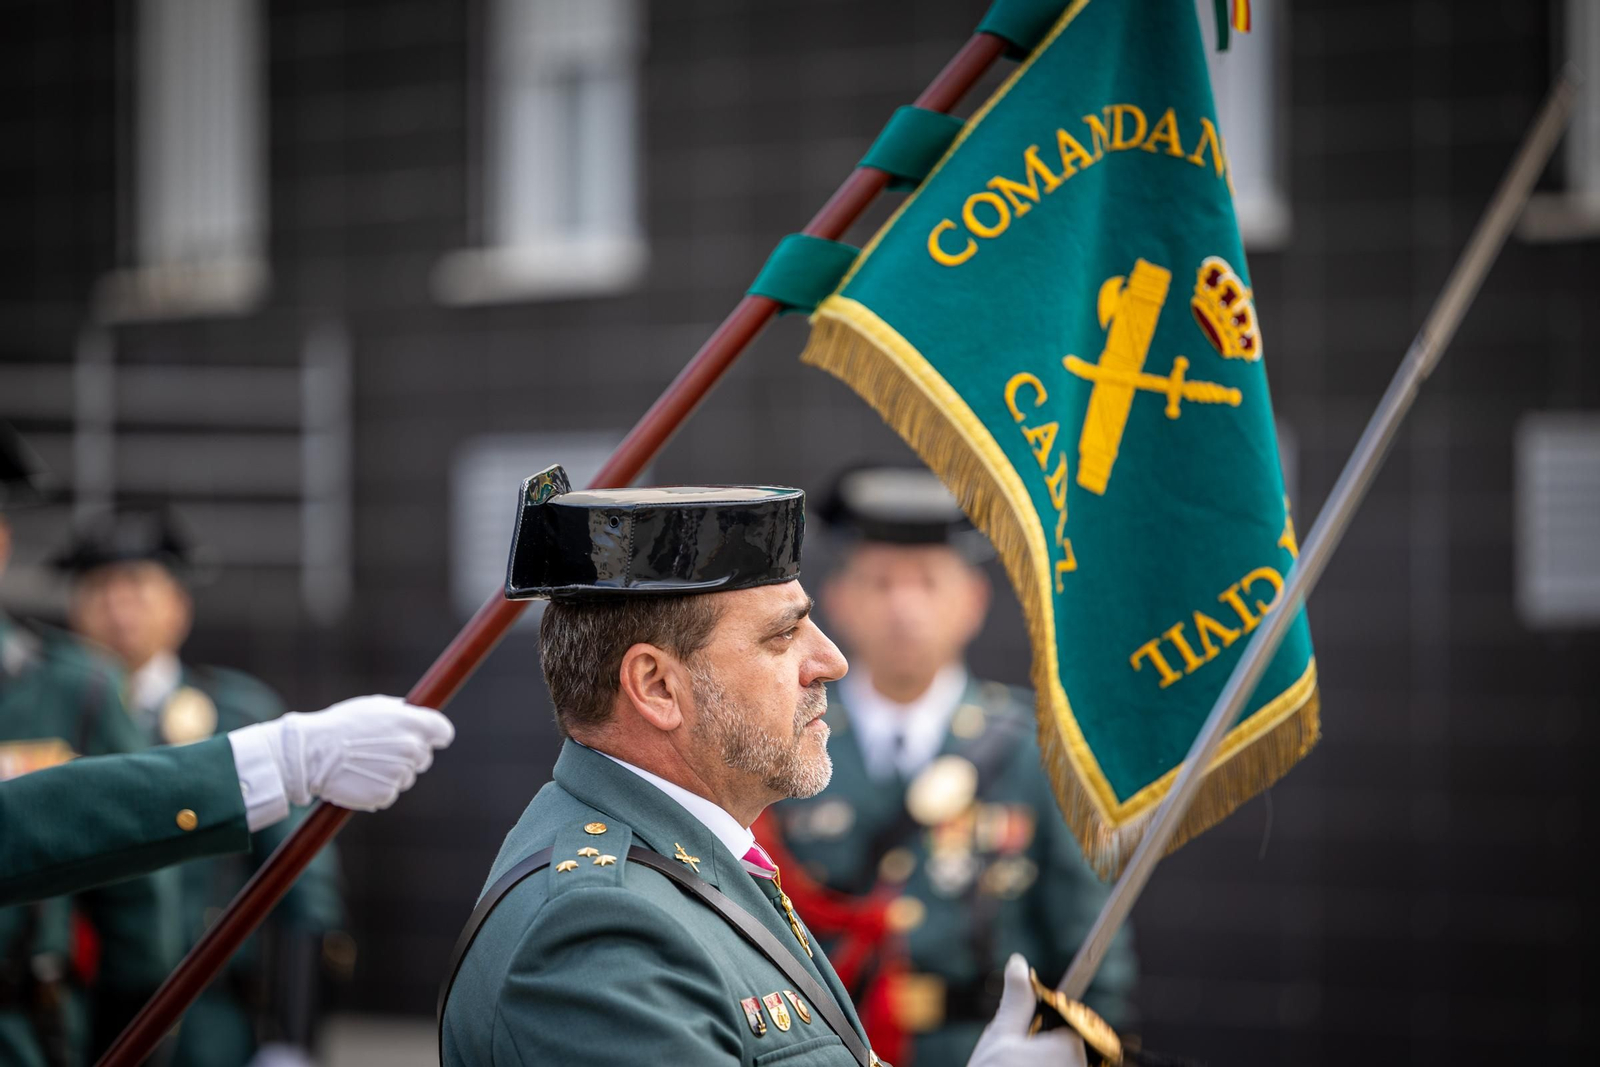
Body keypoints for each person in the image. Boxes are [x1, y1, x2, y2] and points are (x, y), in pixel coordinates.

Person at [438, 467, 1089, 1067]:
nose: (831, 661)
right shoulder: (598, 934)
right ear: (658, 687)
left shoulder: (690, 859)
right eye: (782, 635)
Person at [760, 466, 1136, 1067]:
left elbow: (1091, 955)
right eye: (882, 582)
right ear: (838, 601)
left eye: (928, 583)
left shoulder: (1038, 750)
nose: (904, 608)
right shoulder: (776, 740)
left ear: (973, 602)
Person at [54, 507, 345, 1067]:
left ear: (178, 606)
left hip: (209, 1026)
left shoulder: (237, 714)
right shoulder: (49, 718)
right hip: (74, 1024)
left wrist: (292, 1037)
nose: (117, 607)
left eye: (136, 587)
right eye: (98, 589)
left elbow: (302, 879)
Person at [1, 694, 454, 908]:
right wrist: (277, 760)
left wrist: (293, 1033)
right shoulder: (65, 690)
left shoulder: (228, 699)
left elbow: (304, 888)